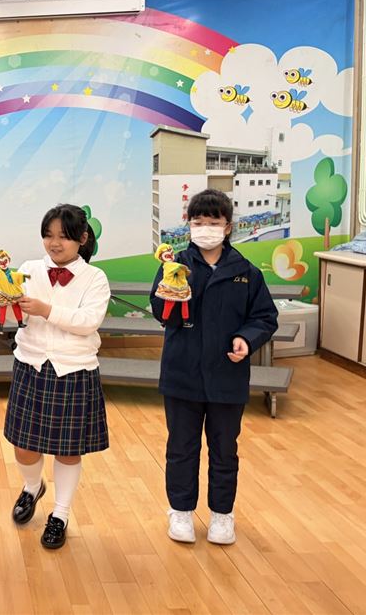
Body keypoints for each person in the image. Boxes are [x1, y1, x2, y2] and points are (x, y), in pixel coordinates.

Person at [150, 189, 278, 545]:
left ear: (228, 226)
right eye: (198, 222)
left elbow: (264, 317)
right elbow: (161, 313)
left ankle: (223, 515)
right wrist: (171, 288)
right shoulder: (175, 266)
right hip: (182, 373)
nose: (205, 228)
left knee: (225, 449)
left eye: (213, 222)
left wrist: (246, 340)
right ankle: (180, 511)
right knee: (181, 447)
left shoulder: (246, 273)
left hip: (227, 377)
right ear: (189, 225)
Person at [3, 204, 111, 550]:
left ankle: (60, 514)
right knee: (23, 446)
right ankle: (33, 487)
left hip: (74, 369)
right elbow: (18, 318)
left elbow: (88, 322)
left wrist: (46, 310)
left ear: (82, 238)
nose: (54, 243)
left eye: (63, 236)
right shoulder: (29, 270)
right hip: (31, 364)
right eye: (48, 235)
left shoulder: (95, 278)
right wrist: (10, 306)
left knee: (68, 451)